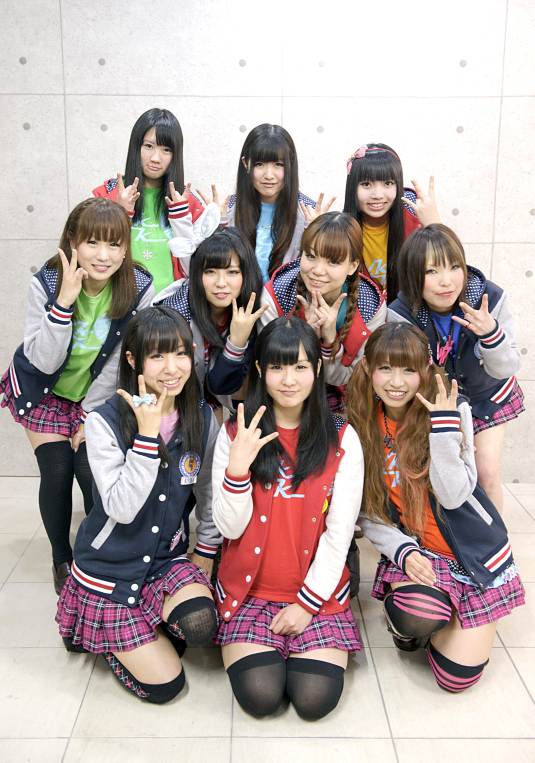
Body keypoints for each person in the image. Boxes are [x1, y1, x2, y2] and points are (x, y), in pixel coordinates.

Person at [346, 322, 524, 692]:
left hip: (475, 555)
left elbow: (455, 495)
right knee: (415, 616)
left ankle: (454, 611)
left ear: (425, 370)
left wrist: (443, 428)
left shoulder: (452, 407)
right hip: (421, 550)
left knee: (455, 678)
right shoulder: (361, 422)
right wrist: (403, 551)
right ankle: (430, 613)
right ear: (368, 368)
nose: (396, 382)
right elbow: (367, 509)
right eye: (385, 368)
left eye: (409, 370)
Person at [56, 307, 221, 704]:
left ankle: (144, 625)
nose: (172, 368)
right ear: (133, 360)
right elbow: (121, 507)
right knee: (166, 687)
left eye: (180, 353)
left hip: (164, 559)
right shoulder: (103, 422)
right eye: (157, 355)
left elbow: (208, 492)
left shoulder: (201, 417)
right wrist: (146, 440)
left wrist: (206, 548)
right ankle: (106, 638)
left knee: (201, 625)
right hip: (109, 569)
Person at [211, 317, 363, 720]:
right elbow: (229, 528)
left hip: (315, 593)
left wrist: (306, 606)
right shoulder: (236, 433)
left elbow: (339, 535)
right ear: (260, 370)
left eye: (299, 366)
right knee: (261, 696)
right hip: (250, 593)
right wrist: (237, 471)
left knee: (314, 700)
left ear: (317, 368)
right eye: (277, 367)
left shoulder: (342, 437)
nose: (289, 380)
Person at [0, 198, 154, 594]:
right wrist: (64, 303)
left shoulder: (138, 286)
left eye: (114, 244)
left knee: (90, 470)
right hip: (45, 390)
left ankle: (98, 552)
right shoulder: (47, 281)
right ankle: (61, 559)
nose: (104, 256)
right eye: (92, 243)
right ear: (73, 242)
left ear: (125, 247)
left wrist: (89, 418)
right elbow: (43, 360)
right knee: (56, 471)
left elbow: (121, 362)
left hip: (98, 395)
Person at [388, 224, 523, 514]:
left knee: (485, 470)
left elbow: (507, 367)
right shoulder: (401, 314)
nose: (446, 281)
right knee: (437, 474)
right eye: (431, 271)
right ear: (413, 275)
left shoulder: (488, 299)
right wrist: (453, 428)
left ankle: (494, 540)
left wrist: (490, 334)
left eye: (454, 267)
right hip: (437, 402)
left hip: (488, 395)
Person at [260, 212, 385, 412]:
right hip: (283, 399)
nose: (318, 270)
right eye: (311, 256)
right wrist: (304, 337)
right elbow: (269, 369)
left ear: (353, 266)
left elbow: (354, 380)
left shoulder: (370, 306)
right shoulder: (277, 294)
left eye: (333, 261)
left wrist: (329, 341)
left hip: (344, 402)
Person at [155, 204, 266, 415]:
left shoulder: (246, 310)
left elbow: (221, 386)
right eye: (210, 272)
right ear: (197, 273)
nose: (221, 283)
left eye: (232, 272)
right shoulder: (174, 315)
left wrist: (237, 341)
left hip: (208, 403)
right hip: (169, 406)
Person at [92, 108, 204, 293]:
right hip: (119, 301)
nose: (155, 158)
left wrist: (181, 217)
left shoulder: (188, 202)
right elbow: (94, 255)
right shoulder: (105, 196)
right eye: (149, 146)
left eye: (166, 150)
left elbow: (197, 268)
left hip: (170, 304)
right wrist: (120, 213)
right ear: (136, 147)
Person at [217, 123, 321, 283]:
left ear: (290, 165)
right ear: (246, 164)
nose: (269, 175)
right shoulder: (226, 211)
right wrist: (218, 225)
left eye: (278, 165)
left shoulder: (309, 213)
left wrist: (315, 230)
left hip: (287, 298)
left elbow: (317, 273)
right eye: (259, 164)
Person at [343, 143, 441, 303]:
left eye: (388, 183)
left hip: (410, 310)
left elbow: (443, 274)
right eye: (366, 184)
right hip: (363, 313)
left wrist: (435, 226)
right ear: (353, 187)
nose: (378, 195)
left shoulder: (416, 220)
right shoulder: (342, 230)